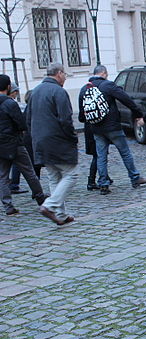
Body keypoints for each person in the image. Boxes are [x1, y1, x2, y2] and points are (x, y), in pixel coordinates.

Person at [78, 65, 146, 195]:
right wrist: (138, 113)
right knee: (125, 152)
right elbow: (126, 99)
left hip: (96, 128)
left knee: (101, 156)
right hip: (112, 127)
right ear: (104, 73)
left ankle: (103, 183)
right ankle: (134, 178)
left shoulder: (84, 88)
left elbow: (82, 116)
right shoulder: (108, 85)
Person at [28, 63, 78, 225]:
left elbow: (28, 119)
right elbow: (65, 119)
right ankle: (50, 205)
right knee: (71, 175)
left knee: (54, 177)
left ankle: (61, 215)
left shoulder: (35, 91)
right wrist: (72, 137)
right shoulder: (58, 91)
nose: (65, 78)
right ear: (59, 73)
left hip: (40, 141)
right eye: (65, 74)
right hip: (57, 140)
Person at [0, 75, 47, 215]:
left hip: (1, 144)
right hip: (14, 142)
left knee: (2, 176)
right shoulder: (9, 103)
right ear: (8, 87)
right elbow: (21, 123)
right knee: (29, 171)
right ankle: (40, 198)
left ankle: (8, 206)